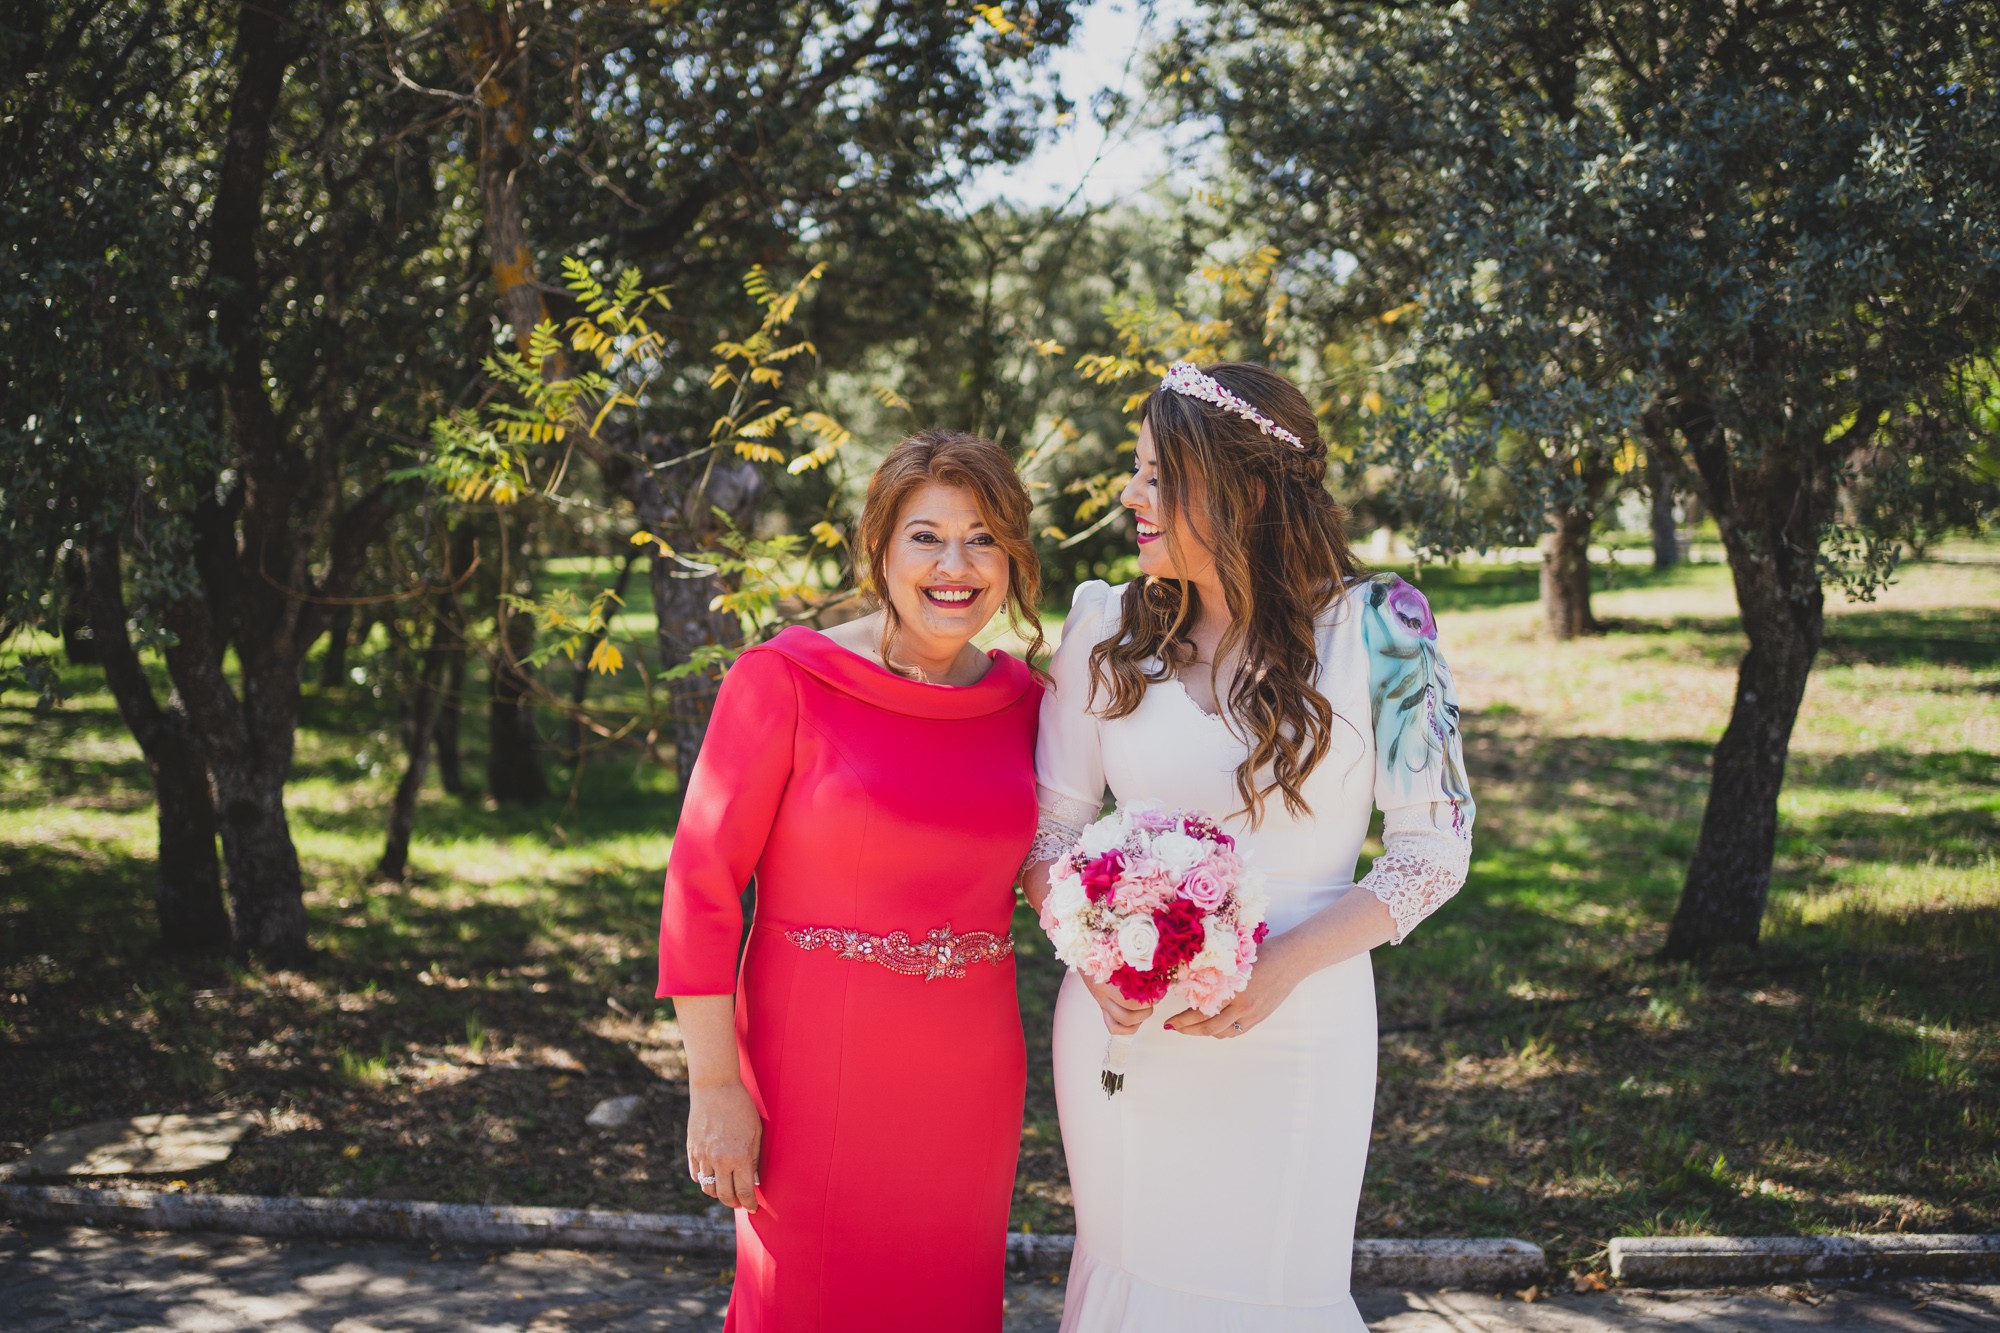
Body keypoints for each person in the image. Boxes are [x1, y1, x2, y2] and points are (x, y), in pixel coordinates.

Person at [1025, 362, 1476, 1331]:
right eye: (1133, 471)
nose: (1128, 496)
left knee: (1275, 1286)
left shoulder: (1380, 628)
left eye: (1156, 476)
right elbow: (1050, 828)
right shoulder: (1103, 623)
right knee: (1126, 1270)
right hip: (1123, 1026)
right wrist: (1085, 948)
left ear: (1249, 491)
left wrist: (1279, 967)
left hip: (1301, 1023)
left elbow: (1431, 848)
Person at [657, 429, 1046, 1332]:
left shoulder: (1028, 703)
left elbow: (1052, 865)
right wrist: (714, 1086)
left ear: (1014, 558)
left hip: (970, 1070)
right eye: (927, 535)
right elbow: (701, 887)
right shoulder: (785, 679)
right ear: (879, 548)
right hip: (814, 1067)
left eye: (984, 537)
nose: (957, 564)